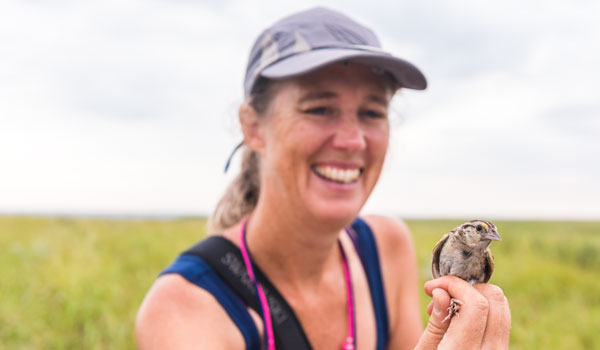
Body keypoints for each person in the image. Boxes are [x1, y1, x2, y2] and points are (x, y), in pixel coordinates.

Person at [135, 6, 510, 349]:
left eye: (372, 112)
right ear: (253, 128)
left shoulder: (384, 249)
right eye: (319, 108)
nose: (352, 140)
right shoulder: (185, 308)